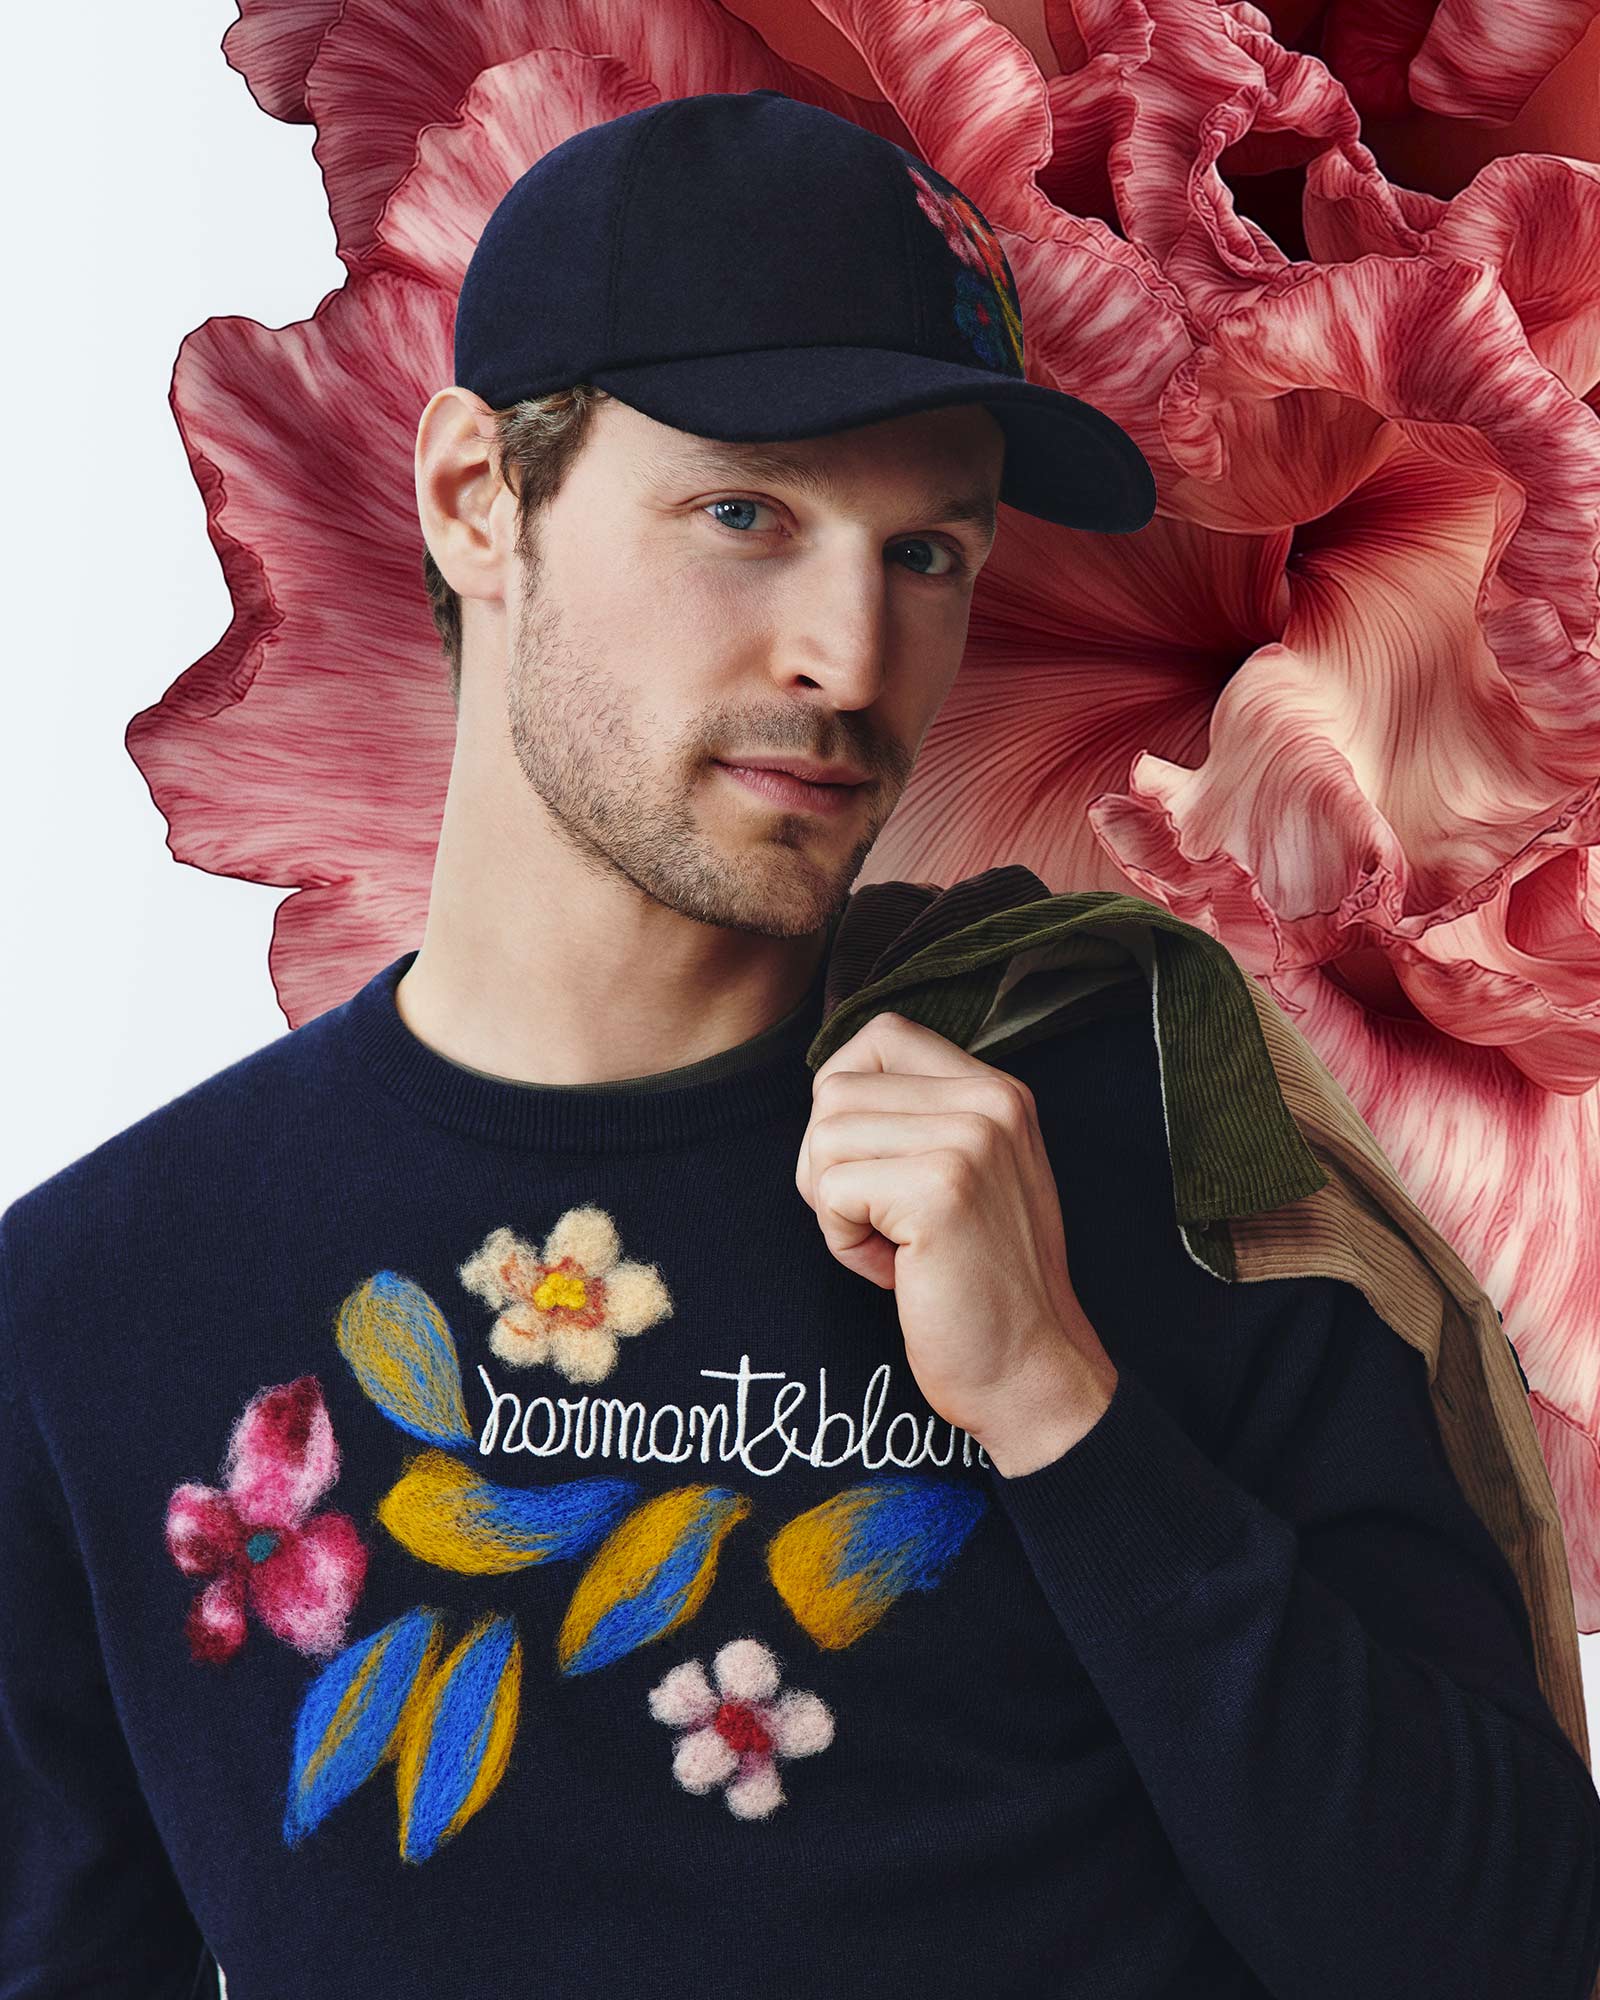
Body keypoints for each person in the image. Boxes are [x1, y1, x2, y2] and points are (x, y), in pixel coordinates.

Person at [3, 87, 1597, 2000]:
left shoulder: (1163, 1154)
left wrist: (1064, 1416)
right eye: (746, 513)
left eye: (927, 551)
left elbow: (1511, 1948)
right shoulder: (91, 1312)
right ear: (472, 498)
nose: (850, 655)